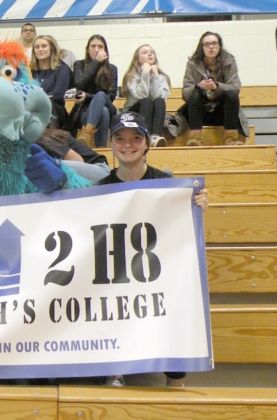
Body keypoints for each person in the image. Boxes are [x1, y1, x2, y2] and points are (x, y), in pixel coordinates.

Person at [98, 111, 207, 387]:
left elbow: (181, 227)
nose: (128, 144)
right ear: (111, 143)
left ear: (147, 143)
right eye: (120, 138)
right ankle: (114, 369)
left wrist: (197, 204)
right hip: (117, 274)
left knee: (178, 293)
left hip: (158, 272)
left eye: (136, 138)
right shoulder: (97, 191)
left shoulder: (167, 184)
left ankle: (176, 380)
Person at [180, 31, 248, 146]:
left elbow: (235, 88)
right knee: (195, 94)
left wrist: (216, 86)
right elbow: (185, 93)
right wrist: (198, 86)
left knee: (231, 94)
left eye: (214, 43)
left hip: (222, 112)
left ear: (219, 46)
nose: (211, 46)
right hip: (200, 112)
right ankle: (195, 139)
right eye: (207, 44)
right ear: (202, 47)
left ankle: (230, 139)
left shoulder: (229, 61)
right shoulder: (192, 63)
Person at [72, 34, 118, 147]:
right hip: (85, 111)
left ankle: (86, 133)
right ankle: (101, 150)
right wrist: (96, 63)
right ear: (88, 49)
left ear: (105, 50)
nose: (96, 49)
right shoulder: (79, 65)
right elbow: (79, 84)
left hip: (108, 105)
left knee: (101, 95)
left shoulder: (112, 68)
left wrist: (87, 96)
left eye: (100, 46)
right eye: (93, 46)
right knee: (103, 112)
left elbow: (111, 96)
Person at [121, 44, 170, 147]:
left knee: (159, 101)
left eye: (152, 52)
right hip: (133, 113)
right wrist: (145, 74)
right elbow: (141, 95)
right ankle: (144, 136)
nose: (149, 54)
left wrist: (156, 76)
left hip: (152, 113)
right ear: (137, 59)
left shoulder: (162, 76)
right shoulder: (131, 75)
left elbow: (159, 97)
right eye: (145, 52)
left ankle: (154, 137)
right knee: (146, 101)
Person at [36, 128, 110, 183]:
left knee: (51, 165)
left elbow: (78, 160)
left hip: (101, 170)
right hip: (84, 174)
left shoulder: (43, 140)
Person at [30, 35, 70, 128]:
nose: (40, 49)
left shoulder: (62, 69)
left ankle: (52, 137)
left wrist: (39, 99)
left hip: (56, 110)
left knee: (49, 102)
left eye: (44, 46)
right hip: (33, 109)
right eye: (37, 47)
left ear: (52, 48)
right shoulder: (30, 70)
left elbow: (58, 94)